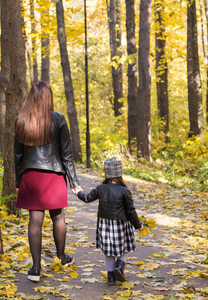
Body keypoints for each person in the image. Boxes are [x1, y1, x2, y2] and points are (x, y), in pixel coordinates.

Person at [14, 81, 82, 282]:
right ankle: (61, 258)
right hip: (54, 176)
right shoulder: (59, 119)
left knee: (35, 221)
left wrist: (18, 181)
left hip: (31, 176)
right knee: (58, 218)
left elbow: (17, 156)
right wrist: (74, 182)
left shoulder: (21, 121)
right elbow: (66, 155)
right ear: (48, 97)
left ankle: (35, 268)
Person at [75, 157, 143, 286]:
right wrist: (138, 225)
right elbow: (131, 211)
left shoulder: (101, 188)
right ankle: (119, 264)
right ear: (119, 173)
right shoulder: (124, 191)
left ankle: (111, 277)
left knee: (108, 251)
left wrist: (78, 192)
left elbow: (88, 198)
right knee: (126, 247)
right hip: (121, 225)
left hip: (104, 224)